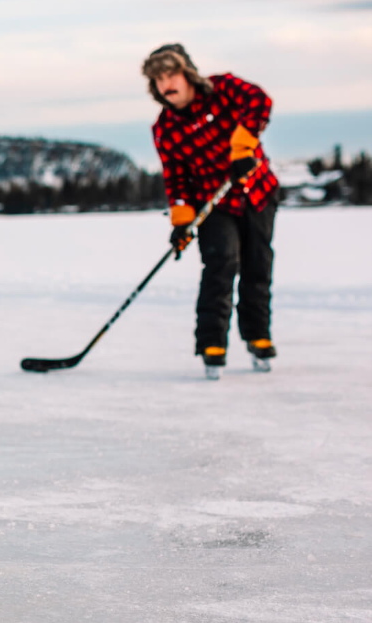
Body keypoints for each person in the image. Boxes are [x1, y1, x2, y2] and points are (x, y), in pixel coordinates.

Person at [142, 44, 280, 377]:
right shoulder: (165, 128)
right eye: (158, 79)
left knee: (257, 265)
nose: (166, 84)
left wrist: (243, 147)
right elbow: (176, 178)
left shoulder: (225, 89)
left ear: (187, 73)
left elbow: (260, 101)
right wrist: (181, 221)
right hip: (213, 203)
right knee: (220, 265)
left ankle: (258, 335)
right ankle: (212, 343)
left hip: (256, 191)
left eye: (171, 74)